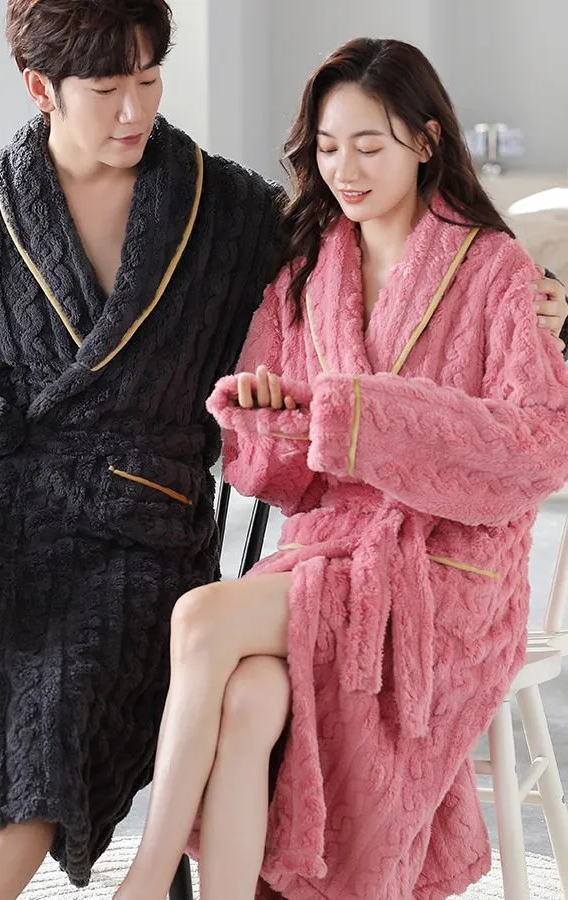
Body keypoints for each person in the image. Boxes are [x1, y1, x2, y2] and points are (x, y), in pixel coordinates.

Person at [0, 2, 284, 898]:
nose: (135, 110)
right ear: (40, 88)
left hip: (139, 540)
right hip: (1, 526)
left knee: (49, 703)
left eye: (149, 80)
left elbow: (366, 265)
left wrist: (517, 290)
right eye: (107, 90)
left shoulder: (228, 211)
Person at [114, 37, 568, 900]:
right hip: (330, 552)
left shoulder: (496, 269)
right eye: (327, 148)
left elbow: (539, 445)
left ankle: (143, 880)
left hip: (444, 571)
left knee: (201, 617)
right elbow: (278, 475)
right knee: (248, 697)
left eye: (368, 146)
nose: (344, 171)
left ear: (426, 141)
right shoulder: (307, 273)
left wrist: (358, 415)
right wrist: (266, 417)